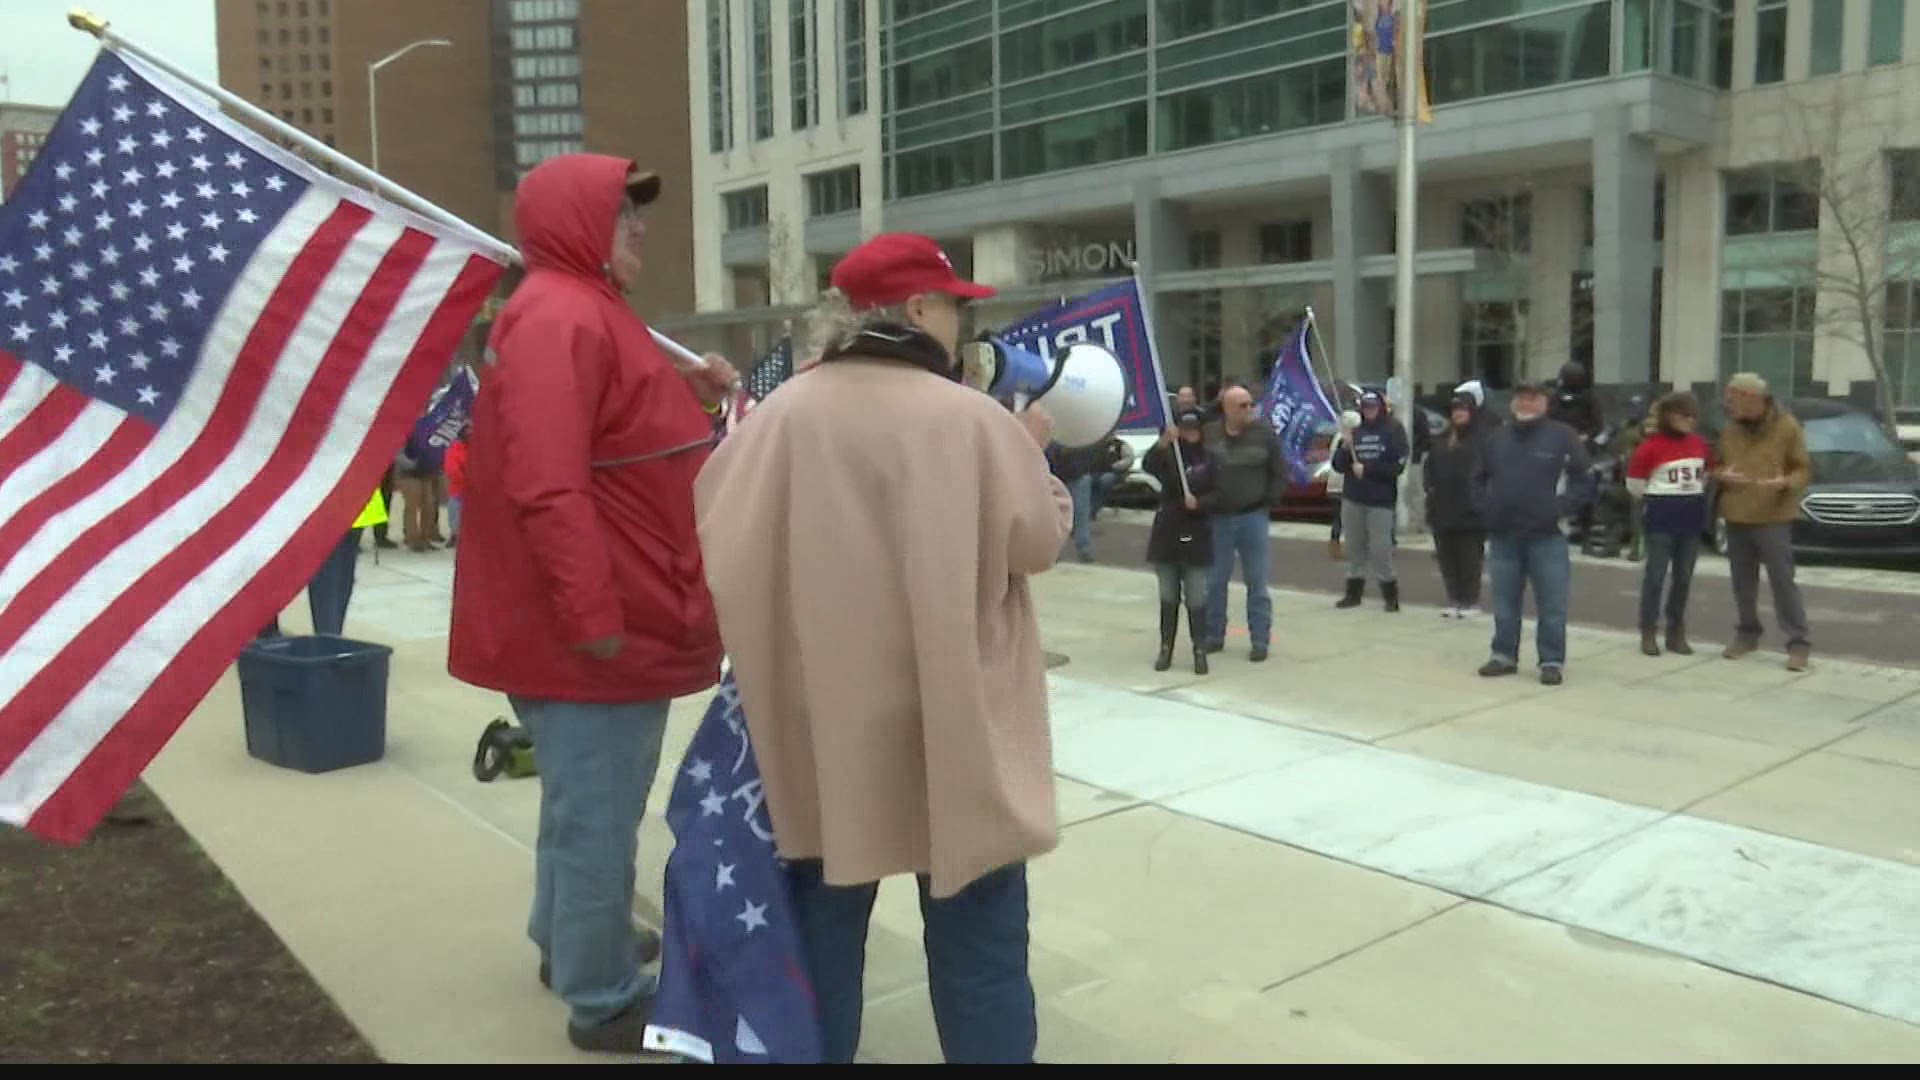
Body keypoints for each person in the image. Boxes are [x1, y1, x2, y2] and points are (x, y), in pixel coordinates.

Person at [692, 232, 1073, 1065]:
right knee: (982, 954)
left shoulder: (779, 416)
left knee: (821, 948)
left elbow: (715, 528)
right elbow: (1036, 540)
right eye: (954, 307)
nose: (964, 325)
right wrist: (1034, 458)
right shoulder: (974, 421)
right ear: (913, 310)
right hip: (956, 725)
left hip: (823, 731)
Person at [447, 154, 737, 1053]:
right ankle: (602, 991)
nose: (641, 228)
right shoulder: (560, 318)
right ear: (578, 225)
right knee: (599, 812)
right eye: (623, 214)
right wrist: (593, 620)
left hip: (608, 620)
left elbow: (611, 430)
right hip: (595, 634)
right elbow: (546, 484)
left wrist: (685, 397)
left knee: (582, 803)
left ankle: (573, 938)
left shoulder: (578, 313)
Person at [1471, 380, 1593, 685]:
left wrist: (1560, 509)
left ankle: (1551, 661)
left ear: (1545, 403)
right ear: (1513, 403)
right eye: (1521, 398)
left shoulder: (1562, 437)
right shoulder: (1496, 438)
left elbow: (1584, 479)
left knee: (1552, 604)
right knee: (1504, 603)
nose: (1526, 403)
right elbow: (1477, 478)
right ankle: (1503, 655)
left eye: (1533, 398)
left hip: (1547, 536)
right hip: (1503, 536)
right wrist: (1487, 509)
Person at [1713, 372, 1814, 671]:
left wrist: (1785, 482)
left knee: (1783, 581)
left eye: (1733, 400)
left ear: (1752, 398)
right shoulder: (1730, 429)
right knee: (1742, 583)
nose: (1729, 406)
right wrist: (1720, 475)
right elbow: (1715, 464)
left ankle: (1798, 643)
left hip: (1773, 516)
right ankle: (1747, 634)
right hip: (1736, 514)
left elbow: (1803, 469)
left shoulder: (1787, 426)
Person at [1200, 385, 1290, 662]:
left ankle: (1260, 639)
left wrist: (1269, 500)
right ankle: (1214, 635)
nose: (1249, 409)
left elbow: (1279, 471)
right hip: (1219, 519)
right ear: (1226, 408)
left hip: (1253, 517)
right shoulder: (1211, 433)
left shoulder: (1264, 434)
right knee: (1215, 581)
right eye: (1242, 405)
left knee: (1257, 583)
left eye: (1251, 404)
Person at [1626, 392, 1714, 657]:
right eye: (1682, 415)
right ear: (1668, 416)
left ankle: (1676, 630)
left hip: (1692, 516)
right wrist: (1659, 496)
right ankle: (1649, 630)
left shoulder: (1700, 444)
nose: (1688, 420)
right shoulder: (1650, 447)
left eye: (1692, 416)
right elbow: (1635, 485)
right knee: (1655, 576)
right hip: (1661, 516)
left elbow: (1706, 475)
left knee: (1684, 577)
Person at [1143, 408, 1217, 674]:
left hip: (1196, 534)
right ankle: (1166, 648)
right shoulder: (1171, 453)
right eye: (1185, 430)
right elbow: (1148, 465)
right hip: (1168, 533)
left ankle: (1199, 648)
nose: (1189, 435)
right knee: (1168, 595)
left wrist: (1200, 503)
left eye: (1193, 430)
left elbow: (1220, 494)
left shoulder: (1210, 458)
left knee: (1196, 597)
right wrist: (1163, 442)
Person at [1330, 389, 1410, 612]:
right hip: (1353, 498)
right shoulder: (1354, 431)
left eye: (1373, 407)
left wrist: (1369, 469)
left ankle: (1390, 595)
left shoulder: (1393, 430)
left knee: (1380, 548)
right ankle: (1353, 593)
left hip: (1380, 500)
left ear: (1381, 407)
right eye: (1365, 407)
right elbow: (1337, 465)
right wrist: (1345, 448)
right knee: (1354, 547)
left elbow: (1398, 465)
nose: (1369, 411)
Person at [1424, 390, 1491, 618]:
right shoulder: (1443, 439)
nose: (1459, 414)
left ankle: (1470, 601)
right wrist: (1430, 493)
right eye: (1455, 410)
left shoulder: (1484, 439)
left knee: (1470, 559)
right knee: (1447, 557)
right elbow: (1430, 470)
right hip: (1443, 509)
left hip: (1471, 512)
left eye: (1463, 409)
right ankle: (1454, 599)